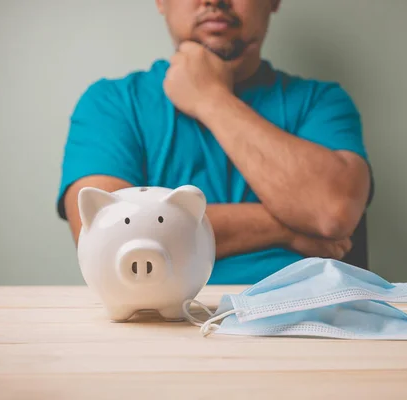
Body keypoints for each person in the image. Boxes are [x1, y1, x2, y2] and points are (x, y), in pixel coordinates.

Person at [56, 0, 373, 284]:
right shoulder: (111, 103)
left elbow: (332, 212)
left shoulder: (321, 102)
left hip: (309, 321)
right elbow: (107, 240)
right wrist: (287, 226)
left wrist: (210, 98)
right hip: (159, 324)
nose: (215, 1)